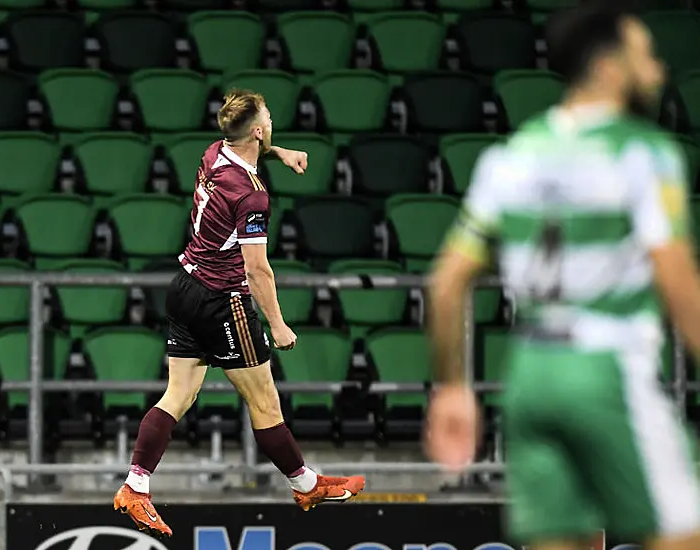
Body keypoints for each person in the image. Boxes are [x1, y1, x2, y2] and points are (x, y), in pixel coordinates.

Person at [426, 6, 700, 550]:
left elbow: (445, 283)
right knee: (682, 532)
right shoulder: (644, 153)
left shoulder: (513, 156)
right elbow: (679, 285)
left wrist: (454, 387)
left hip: (530, 377)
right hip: (607, 370)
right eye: (644, 55)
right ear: (607, 67)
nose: (659, 68)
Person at [113, 89, 365, 538]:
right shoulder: (252, 197)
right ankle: (305, 485)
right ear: (257, 129)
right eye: (268, 119)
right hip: (222, 301)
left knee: (178, 396)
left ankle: (135, 485)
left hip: (184, 287)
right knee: (265, 403)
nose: (271, 122)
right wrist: (277, 323)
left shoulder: (214, 154)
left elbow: (250, 151)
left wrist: (282, 153)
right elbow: (257, 269)